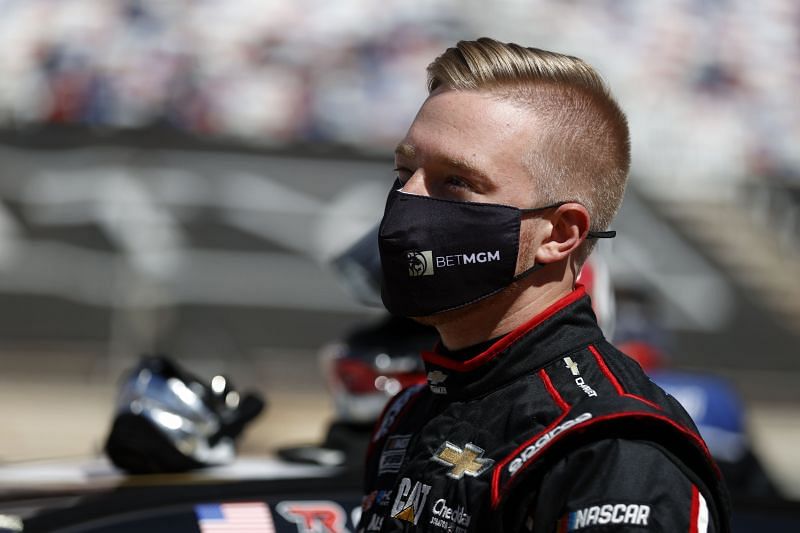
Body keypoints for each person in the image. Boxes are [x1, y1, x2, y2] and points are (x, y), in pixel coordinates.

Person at [359, 38, 731, 532]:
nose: (406, 199)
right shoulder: (411, 410)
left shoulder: (608, 447)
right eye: (404, 172)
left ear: (559, 234)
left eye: (456, 181)